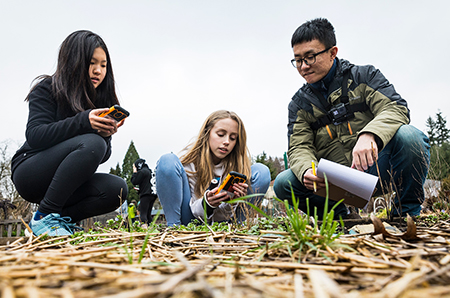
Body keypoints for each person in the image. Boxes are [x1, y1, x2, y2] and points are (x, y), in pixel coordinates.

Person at [273, 18, 430, 219]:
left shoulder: (365, 76)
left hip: (378, 171)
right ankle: (339, 218)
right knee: (283, 182)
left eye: (310, 57)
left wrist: (370, 134)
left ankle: (404, 215)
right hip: (332, 184)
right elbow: (298, 147)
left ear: (332, 52)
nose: (303, 66)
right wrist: (306, 170)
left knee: (411, 137)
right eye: (297, 60)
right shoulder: (298, 104)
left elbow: (395, 107)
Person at [11, 30, 128, 236]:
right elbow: (36, 135)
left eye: (103, 65)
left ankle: (58, 221)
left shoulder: (98, 100)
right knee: (93, 143)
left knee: (117, 189)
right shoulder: (47, 88)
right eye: (92, 63)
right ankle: (44, 216)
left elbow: (100, 154)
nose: (98, 71)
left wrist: (105, 133)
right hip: (30, 171)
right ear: (74, 60)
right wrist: (84, 121)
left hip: (65, 184)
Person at [155, 110, 271, 226]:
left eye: (232, 138)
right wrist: (207, 204)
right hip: (191, 218)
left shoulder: (238, 167)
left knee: (262, 171)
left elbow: (223, 215)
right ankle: (174, 228)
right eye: (220, 135)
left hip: (225, 221)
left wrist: (233, 201)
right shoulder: (189, 163)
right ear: (207, 133)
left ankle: (240, 227)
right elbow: (193, 209)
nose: (226, 142)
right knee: (167, 161)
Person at [131, 159, 157, 228]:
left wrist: (135, 172)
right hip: (153, 194)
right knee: (148, 213)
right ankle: (152, 228)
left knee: (143, 213)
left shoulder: (142, 172)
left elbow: (134, 181)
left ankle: (144, 229)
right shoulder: (150, 171)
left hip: (145, 195)